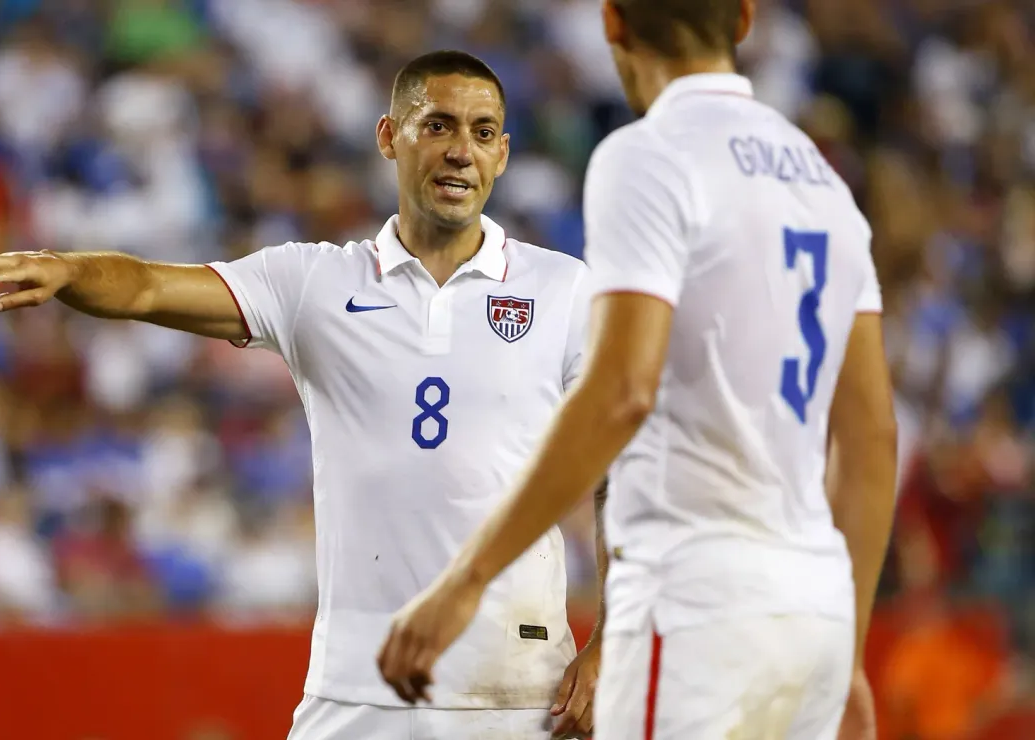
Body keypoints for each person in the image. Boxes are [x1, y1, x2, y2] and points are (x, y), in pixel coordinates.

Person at [0, 50, 605, 739]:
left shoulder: (563, 291)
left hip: (519, 691)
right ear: (389, 137)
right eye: (437, 126)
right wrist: (67, 268)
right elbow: (148, 284)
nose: (460, 152)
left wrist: (612, 637)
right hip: (358, 689)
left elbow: (625, 470)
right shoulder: (313, 285)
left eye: (481, 132)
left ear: (502, 154)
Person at [377, 3, 898, 740]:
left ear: (613, 23)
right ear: (745, 19)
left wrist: (468, 579)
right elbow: (872, 436)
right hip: (813, 606)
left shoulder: (649, 155)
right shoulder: (825, 184)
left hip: (697, 606)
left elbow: (622, 391)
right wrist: (847, 653)